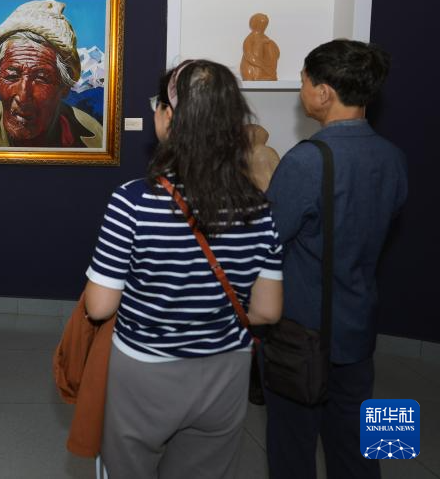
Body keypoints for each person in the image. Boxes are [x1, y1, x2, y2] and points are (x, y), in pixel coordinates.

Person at [83, 59, 283, 479]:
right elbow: (267, 311)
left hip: (145, 367)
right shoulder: (258, 207)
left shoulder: (133, 201)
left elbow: (100, 306)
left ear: (169, 117)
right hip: (226, 370)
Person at [263, 39, 407, 479]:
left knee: (292, 447)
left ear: (324, 92)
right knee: (362, 445)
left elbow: (267, 239)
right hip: (359, 325)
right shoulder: (393, 157)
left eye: (304, 82)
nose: (302, 92)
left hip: (303, 333)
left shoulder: (305, 161)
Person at [0, 0, 103, 147]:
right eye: (12, 76)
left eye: (41, 78)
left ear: (64, 87)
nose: (23, 96)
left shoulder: (94, 137)